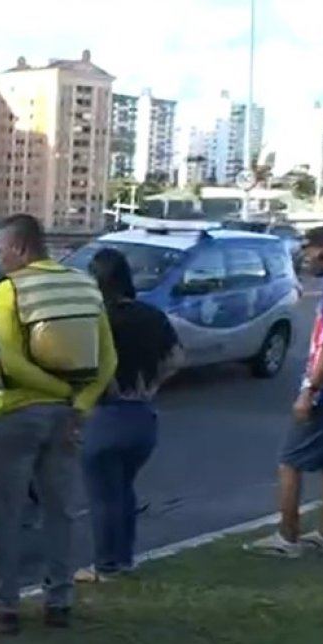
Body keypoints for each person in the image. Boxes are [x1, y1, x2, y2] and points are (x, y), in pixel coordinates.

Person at [0, 214, 116, 634]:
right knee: (59, 509)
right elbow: (109, 361)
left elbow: (10, 359)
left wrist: (56, 392)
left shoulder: (9, 290)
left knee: (4, 511)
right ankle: (59, 601)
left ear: (19, 248)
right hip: (68, 419)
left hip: (18, 411)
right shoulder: (86, 285)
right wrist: (79, 403)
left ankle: (1, 606)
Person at [245, 227, 323, 558]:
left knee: (289, 462)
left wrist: (310, 389)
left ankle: (288, 537)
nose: (306, 257)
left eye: (309, 250)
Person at [75, 248, 184, 583]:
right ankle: (124, 559)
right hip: (142, 416)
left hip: (105, 414)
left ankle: (105, 567)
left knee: (102, 496)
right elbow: (178, 357)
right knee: (124, 489)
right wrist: (151, 385)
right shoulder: (151, 315)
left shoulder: (94, 319)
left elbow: (85, 366)